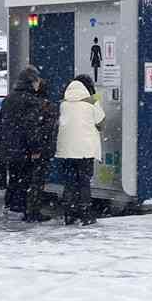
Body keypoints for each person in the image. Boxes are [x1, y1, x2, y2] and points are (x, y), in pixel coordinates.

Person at [56, 75, 105, 226]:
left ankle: (69, 214)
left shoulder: (63, 103)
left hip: (66, 150)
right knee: (84, 182)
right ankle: (85, 215)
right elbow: (101, 123)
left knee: (69, 182)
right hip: (85, 149)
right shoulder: (91, 101)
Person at [0, 66, 46, 219]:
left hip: (9, 147)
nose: (39, 83)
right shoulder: (31, 101)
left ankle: (9, 205)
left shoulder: (9, 98)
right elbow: (32, 128)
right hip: (23, 148)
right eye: (37, 80)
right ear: (31, 81)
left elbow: (1, 124)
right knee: (24, 179)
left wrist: (2, 144)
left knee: (13, 177)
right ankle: (19, 210)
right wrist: (36, 148)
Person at [23, 78, 59, 222]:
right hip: (43, 149)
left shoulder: (32, 105)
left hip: (33, 148)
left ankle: (29, 209)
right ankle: (34, 211)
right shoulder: (46, 106)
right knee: (38, 181)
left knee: (31, 180)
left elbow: (33, 129)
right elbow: (46, 129)